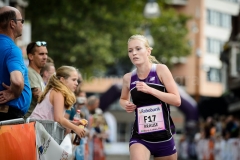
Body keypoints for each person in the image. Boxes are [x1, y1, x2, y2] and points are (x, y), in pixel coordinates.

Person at [119, 34, 181, 160]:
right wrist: (126, 104)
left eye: (138, 49)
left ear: (148, 51)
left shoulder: (161, 70)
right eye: (130, 51)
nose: (134, 53)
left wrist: (150, 90)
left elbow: (176, 100)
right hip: (140, 136)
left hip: (164, 136)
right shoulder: (128, 78)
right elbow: (123, 99)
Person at [30, 65, 85, 138]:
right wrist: (75, 128)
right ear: (62, 80)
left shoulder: (58, 91)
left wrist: (74, 124)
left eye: (77, 80)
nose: (77, 83)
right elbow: (58, 118)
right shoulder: (58, 92)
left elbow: (57, 119)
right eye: (73, 80)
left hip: (40, 129)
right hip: (36, 130)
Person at [0, 6, 31, 121]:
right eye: (21, 21)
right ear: (12, 24)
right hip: (8, 117)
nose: (22, 24)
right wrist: (14, 93)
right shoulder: (12, 49)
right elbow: (17, 82)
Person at [25, 41, 48, 118]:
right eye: (41, 54)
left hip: (34, 123)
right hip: (27, 124)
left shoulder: (36, 74)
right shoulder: (29, 72)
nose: (45, 57)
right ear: (31, 56)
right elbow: (40, 98)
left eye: (46, 54)